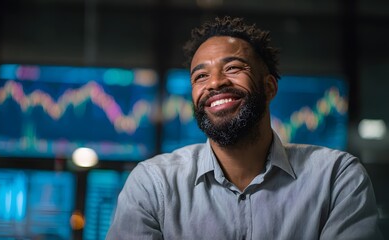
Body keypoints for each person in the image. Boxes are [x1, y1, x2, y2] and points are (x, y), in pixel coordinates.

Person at [106, 16, 382, 239]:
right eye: (200, 76)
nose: (214, 83)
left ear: (269, 87)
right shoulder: (153, 184)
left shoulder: (336, 178)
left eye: (233, 68)